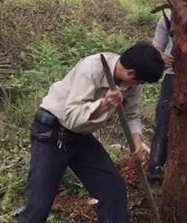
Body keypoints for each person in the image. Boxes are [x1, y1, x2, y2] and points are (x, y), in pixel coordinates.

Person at [17, 43, 165, 223]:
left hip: (80, 137)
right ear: (131, 73)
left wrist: (137, 141)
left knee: (112, 188)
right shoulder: (91, 69)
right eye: (139, 82)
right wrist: (104, 104)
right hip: (51, 132)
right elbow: (72, 117)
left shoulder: (132, 83)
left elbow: (132, 115)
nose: (138, 86)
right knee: (39, 203)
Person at [148, 12, 174, 187]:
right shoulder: (169, 17)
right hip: (173, 77)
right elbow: (156, 48)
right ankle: (154, 173)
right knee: (163, 125)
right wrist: (162, 56)